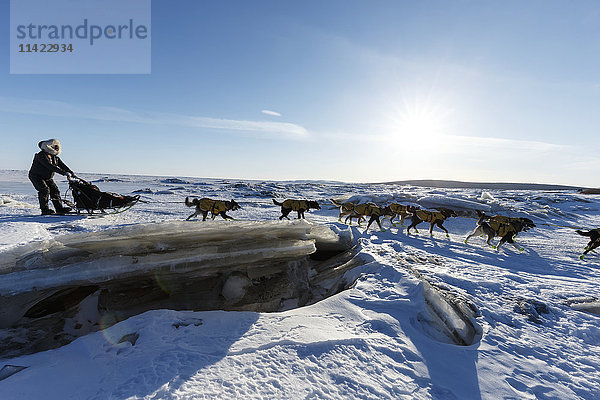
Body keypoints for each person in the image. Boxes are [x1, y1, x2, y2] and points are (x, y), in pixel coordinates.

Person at [28, 139, 75, 215]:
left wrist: (71, 172)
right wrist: (64, 173)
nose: (56, 148)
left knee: (55, 190)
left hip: (48, 177)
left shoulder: (54, 157)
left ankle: (59, 208)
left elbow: (62, 165)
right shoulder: (41, 155)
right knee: (44, 190)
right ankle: (45, 210)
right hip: (36, 176)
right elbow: (50, 166)